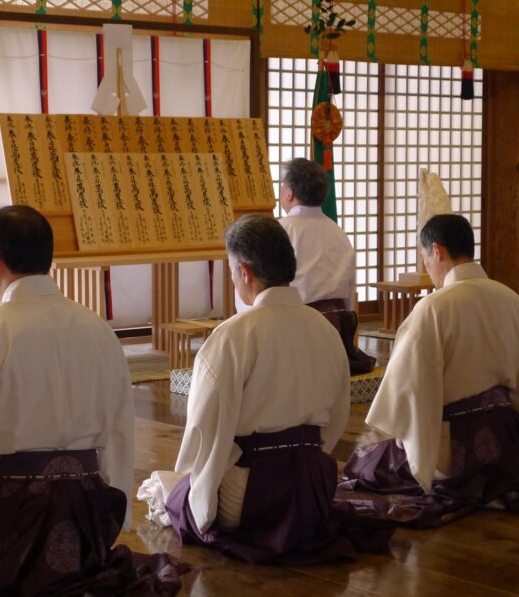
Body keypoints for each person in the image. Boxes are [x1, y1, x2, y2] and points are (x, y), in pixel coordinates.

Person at [0, 205, 182, 596]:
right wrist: (115, 515)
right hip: (85, 521)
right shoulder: (99, 331)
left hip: (6, 524)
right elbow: (120, 434)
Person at [143, 214, 390, 564]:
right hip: (312, 489)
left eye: (231, 270)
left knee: (165, 489)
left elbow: (205, 430)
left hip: (249, 496)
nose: (233, 279)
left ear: (245, 271)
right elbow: (337, 418)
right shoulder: (325, 330)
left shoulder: (232, 335)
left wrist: (193, 495)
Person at [337, 214, 519, 527]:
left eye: (424, 257)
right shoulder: (511, 298)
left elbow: (408, 389)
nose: (426, 266)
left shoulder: (434, 307)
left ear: (437, 250)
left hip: (454, 445)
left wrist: (409, 442)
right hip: (508, 441)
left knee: (363, 463)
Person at [278, 158, 375, 375]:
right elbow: (350, 290)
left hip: (296, 331)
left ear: (289, 192)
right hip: (338, 330)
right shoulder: (337, 232)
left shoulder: (281, 230)